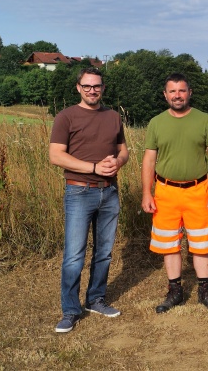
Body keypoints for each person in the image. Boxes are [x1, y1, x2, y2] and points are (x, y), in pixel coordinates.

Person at [49, 67, 129, 333]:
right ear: (78, 88)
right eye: (87, 86)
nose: (92, 90)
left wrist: (117, 162)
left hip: (110, 192)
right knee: (74, 255)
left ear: (103, 88)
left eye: (96, 86)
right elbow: (56, 156)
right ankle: (70, 310)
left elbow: (123, 150)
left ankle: (96, 299)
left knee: (104, 253)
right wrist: (94, 168)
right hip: (79, 192)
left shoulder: (113, 117)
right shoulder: (66, 117)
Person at [141, 72, 208, 314]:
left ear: (190, 93)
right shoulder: (156, 122)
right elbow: (149, 159)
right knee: (169, 245)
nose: (177, 95)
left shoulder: (204, 120)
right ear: (165, 95)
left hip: (198, 190)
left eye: (182, 90)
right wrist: (147, 193)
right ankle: (175, 291)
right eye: (172, 91)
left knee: (201, 244)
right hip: (165, 192)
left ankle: (205, 291)